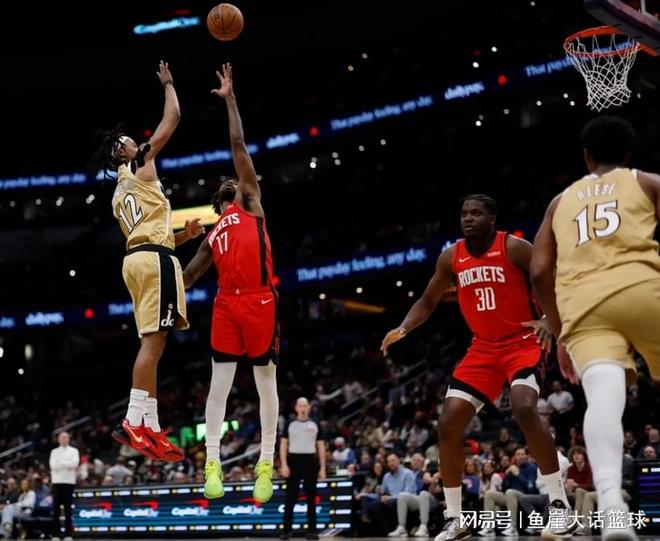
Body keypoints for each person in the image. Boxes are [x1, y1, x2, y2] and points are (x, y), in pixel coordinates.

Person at [381, 195, 574, 541]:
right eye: (464, 213)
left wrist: (549, 318)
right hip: (483, 349)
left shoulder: (514, 248)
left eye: (476, 213)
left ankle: (560, 505)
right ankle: (456, 518)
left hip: (522, 342)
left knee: (524, 407)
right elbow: (427, 300)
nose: (468, 218)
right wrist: (404, 328)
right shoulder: (451, 257)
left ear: (492, 218)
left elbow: (554, 277)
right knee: (447, 424)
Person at [530, 115, 660, 541]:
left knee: (604, 398)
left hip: (584, 307)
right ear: (628, 154)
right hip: (644, 290)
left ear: (587, 158)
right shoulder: (645, 181)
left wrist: (559, 328)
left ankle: (611, 504)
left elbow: (539, 271)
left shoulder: (559, 202)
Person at [88, 61, 204, 461]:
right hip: (154, 263)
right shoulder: (139, 165)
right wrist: (169, 84)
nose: (138, 142)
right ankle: (133, 421)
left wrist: (184, 236)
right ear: (123, 152)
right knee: (154, 343)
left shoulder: (118, 192)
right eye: (129, 141)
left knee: (154, 340)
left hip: (139, 260)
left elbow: (147, 235)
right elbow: (173, 120)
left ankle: (150, 425)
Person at [182, 63, 279, 503]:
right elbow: (189, 275)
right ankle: (212, 463)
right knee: (218, 384)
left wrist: (231, 99)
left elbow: (238, 144)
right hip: (226, 303)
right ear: (218, 200)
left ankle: (266, 464)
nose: (233, 181)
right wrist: (162, 290)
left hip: (260, 300)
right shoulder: (213, 233)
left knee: (265, 382)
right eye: (228, 184)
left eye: (234, 180)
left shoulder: (251, 203)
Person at [279, 397, 326, 540]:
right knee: (290, 497)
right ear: (296, 408)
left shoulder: (315, 423)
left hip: (310, 460)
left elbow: (321, 447)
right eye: (300, 405)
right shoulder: (290, 423)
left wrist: (323, 468)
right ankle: (287, 530)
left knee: (311, 497)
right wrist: (284, 464)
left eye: (305, 405)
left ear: (309, 407)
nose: (303, 408)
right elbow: (283, 445)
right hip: (293, 460)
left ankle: (312, 530)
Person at [49, 432, 80, 541]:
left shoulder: (74, 451)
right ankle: (56, 535)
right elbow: (53, 466)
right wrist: (67, 464)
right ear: (58, 440)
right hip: (57, 482)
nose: (64, 439)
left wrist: (61, 463)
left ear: (69, 439)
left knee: (68, 510)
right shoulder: (54, 452)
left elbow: (74, 464)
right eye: (61, 438)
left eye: (66, 437)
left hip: (69, 482)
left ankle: (68, 535)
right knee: (56, 510)